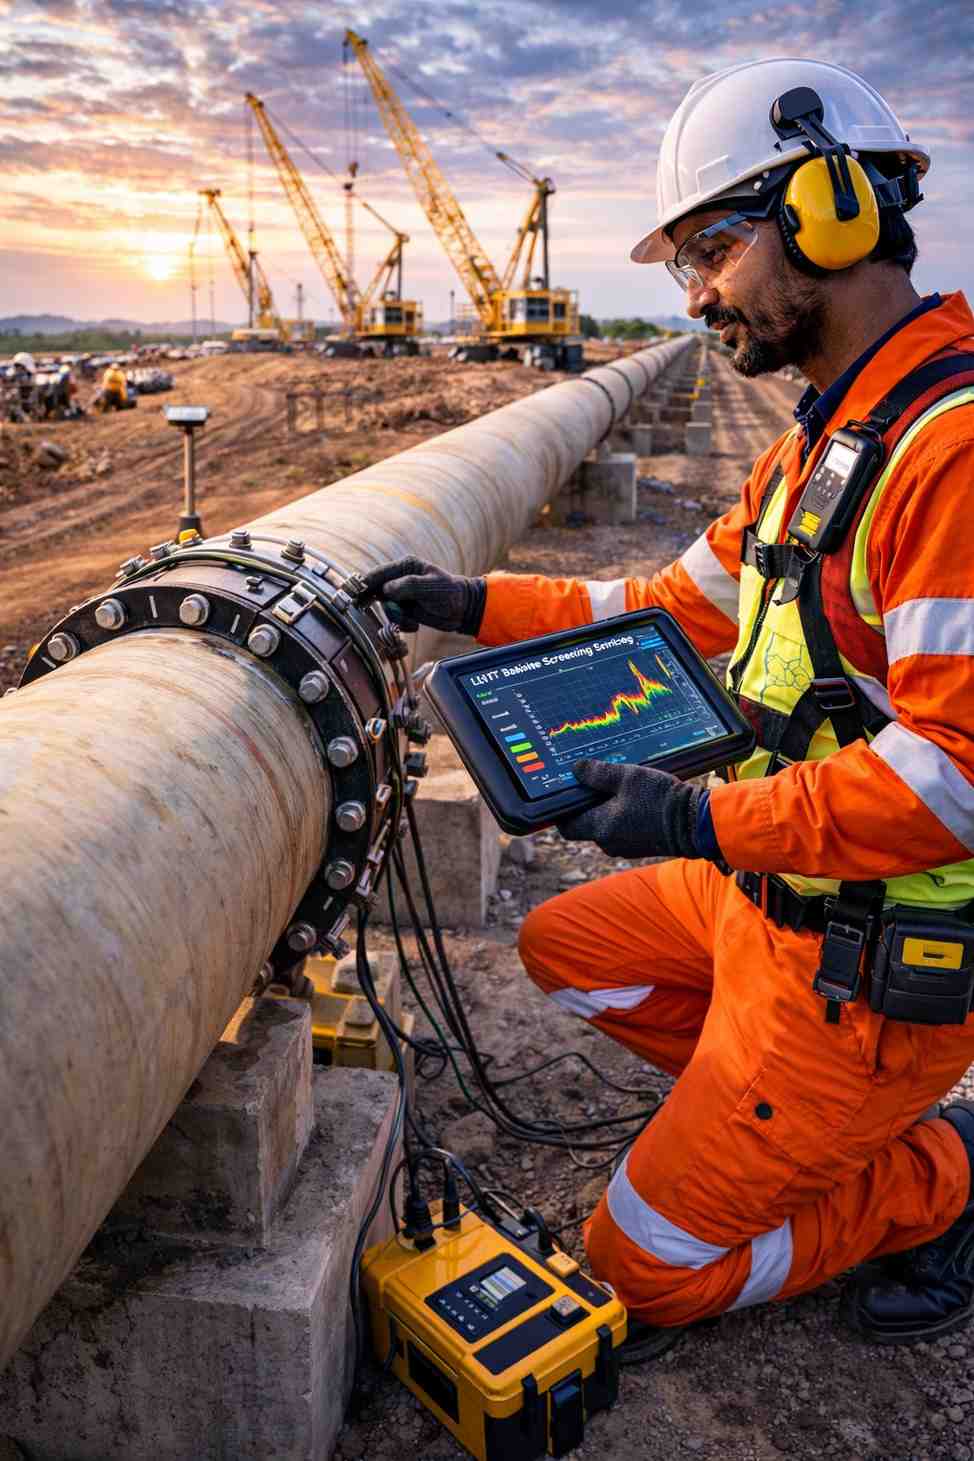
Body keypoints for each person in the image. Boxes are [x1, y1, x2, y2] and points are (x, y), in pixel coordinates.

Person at [363, 58, 974, 1353]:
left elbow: (954, 782)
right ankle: (772, 1129)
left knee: (640, 1268)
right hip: (764, 904)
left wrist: (698, 819)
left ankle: (939, 1179)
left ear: (829, 211)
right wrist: (465, 602)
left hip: (857, 970)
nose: (693, 293)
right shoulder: (819, 448)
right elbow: (652, 607)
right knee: (565, 951)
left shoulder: (950, 454)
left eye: (708, 246)